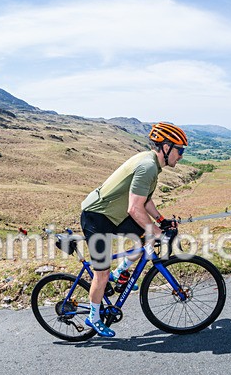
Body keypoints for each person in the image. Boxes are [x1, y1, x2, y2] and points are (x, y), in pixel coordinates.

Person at [79, 122, 187, 337]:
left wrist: (161, 220)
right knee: (101, 274)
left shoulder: (151, 164)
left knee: (146, 240)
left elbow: (145, 200)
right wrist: (157, 232)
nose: (181, 156)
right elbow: (134, 208)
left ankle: (121, 272)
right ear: (166, 147)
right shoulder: (147, 167)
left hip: (115, 214)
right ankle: (94, 316)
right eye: (180, 150)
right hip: (97, 216)